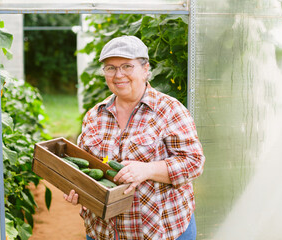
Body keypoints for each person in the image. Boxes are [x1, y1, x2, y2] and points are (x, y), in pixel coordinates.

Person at [64, 35, 205, 240]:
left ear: (145, 69)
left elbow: (194, 163)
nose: (118, 74)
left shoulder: (169, 110)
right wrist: (78, 188)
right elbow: (86, 166)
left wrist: (147, 170)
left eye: (127, 66)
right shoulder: (95, 115)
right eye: (110, 68)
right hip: (103, 232)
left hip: (161, 232)